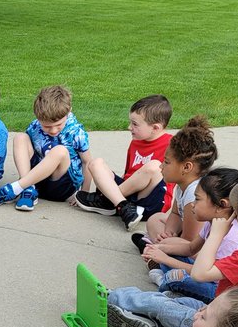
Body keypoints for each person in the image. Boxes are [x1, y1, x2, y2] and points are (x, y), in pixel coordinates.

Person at [108, 176, 238, 327]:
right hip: (225, 315)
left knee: (163, 305)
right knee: (171, 300)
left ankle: (110, 297)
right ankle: (150, 323)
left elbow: (200, 274)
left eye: (235, 215)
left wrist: (216, 234)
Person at [138, 168, 238, 302]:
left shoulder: (233, 237)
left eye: (197, 199)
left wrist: (164, 259)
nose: (192, 204)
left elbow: (208, 275)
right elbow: (190, 248)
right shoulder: (213, 221)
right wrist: (159, 249)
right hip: (204, 273)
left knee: (179, 278)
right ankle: (171, 284)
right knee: (171, 250)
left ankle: (166, 282)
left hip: (222, 291)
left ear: (221, 205)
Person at [0, 85, 93, 211]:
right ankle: (28, 189)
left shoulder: (76, 132)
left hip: (60, 186)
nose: (53, 130)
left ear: (69, 112)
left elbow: (87, 161)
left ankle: (16, 188)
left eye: (58, 125)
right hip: (37, 181)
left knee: (60, 151)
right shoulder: (35, 127)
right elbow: (27, 151)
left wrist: (84, 193)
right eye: (47, 126)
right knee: (21, 138)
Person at [70, 95, 174, 228]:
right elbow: (128, 174)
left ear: (155, 128)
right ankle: (122, 205)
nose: (129, 127)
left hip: (152, 200)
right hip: (128, 196)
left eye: (135, 124)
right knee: (95, 163)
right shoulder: (136, 142)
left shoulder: (172, 145)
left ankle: (107, 200)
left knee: (154, 166)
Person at [136, 116, 217, 240]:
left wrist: (169, 244)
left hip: (201, 246)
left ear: (186, 167)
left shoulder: (194, 196)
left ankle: (157, 248)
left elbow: (189, 243)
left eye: (167, 162)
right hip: (187, 235)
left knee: (173, 249)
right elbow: (175, 213)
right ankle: (157, 245)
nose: (161, 166)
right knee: (155, 219)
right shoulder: (183, 183)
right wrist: (168, 232)